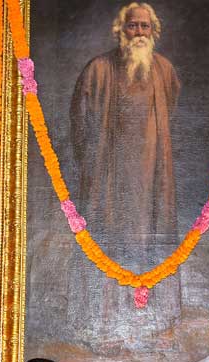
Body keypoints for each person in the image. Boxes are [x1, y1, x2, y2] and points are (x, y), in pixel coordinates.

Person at [66, 2, 181, 334]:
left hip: (152, 182)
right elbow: (81, 124)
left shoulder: (164, 71)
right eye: (133, 26)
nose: (140, 33)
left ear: (153, 32)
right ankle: (103, 326)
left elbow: (171, 109)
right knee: (109, 245)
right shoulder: (98, 69)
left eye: (146, 27)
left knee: (150, 245)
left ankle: (151, 327)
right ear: (120, 30)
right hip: (109, 183)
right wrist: (99, 161)